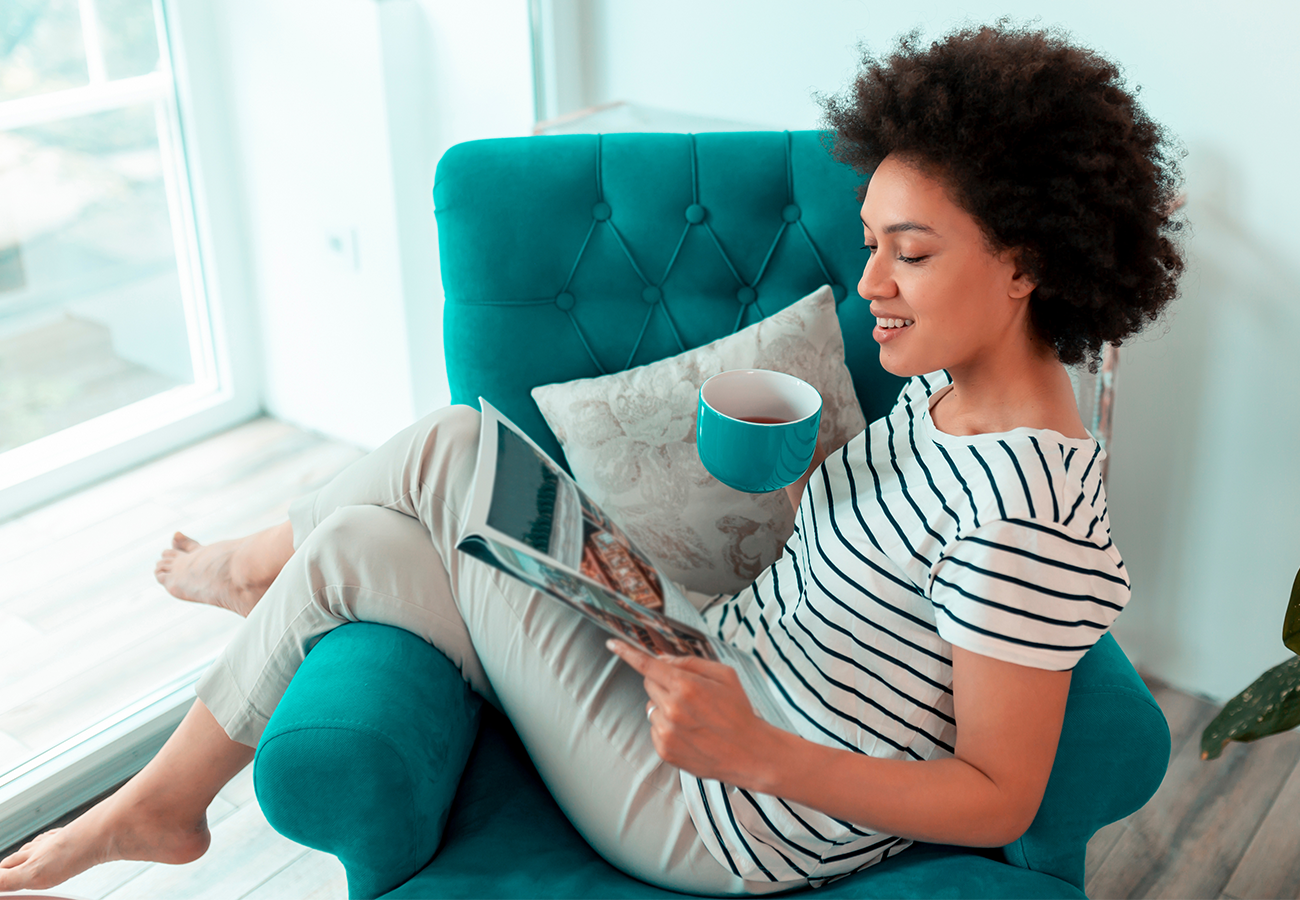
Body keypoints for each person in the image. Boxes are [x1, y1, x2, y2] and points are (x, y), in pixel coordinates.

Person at [0, 23, 1183, 894]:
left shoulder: (1028, 504)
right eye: (869, 243)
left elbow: (998, 797)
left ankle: (217, 660)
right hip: (710, 659)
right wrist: (662, 598)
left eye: (909, 254)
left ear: (1028, 261)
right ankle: (167, 801)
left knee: (458, 446)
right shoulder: (940, 391)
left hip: (720, 813)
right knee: (363, 543)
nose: (868, 283)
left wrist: (754, 750)